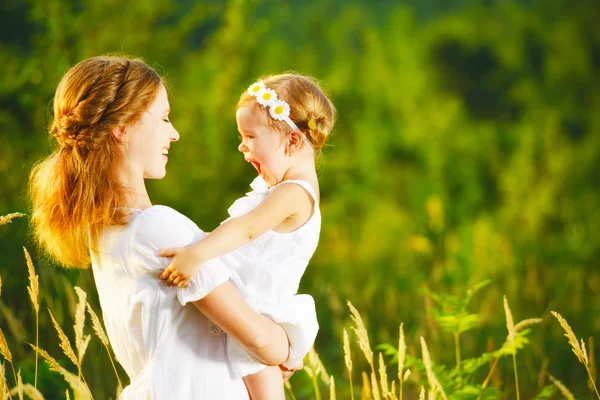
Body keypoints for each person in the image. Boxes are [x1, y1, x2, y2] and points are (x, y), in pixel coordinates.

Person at [29, 55, 297, 399]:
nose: (174, 133)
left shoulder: (109, 231)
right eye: (164, 118)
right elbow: (261, 339)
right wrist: (289, 345)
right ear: (122, 127)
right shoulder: (156, 227)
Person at [159, 74, 336, 399]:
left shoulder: (295, 193)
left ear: (292, 141)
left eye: (250, 136)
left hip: (258, 310)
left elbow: (246, 229)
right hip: (244, 307)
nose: (242, 145)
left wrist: (197, 253)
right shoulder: (279, 190)